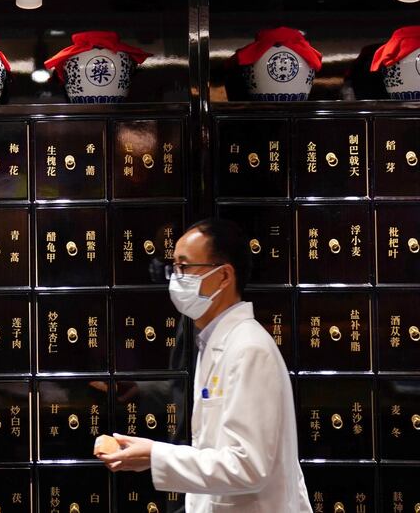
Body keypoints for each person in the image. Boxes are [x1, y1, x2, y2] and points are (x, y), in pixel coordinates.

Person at [99, 218, 311, 513]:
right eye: (173, 267)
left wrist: (156, 456)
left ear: (224, 276)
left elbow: (249, 465)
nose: (175, 278)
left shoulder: (250, 349)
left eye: (184, 267)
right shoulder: (214, 342)